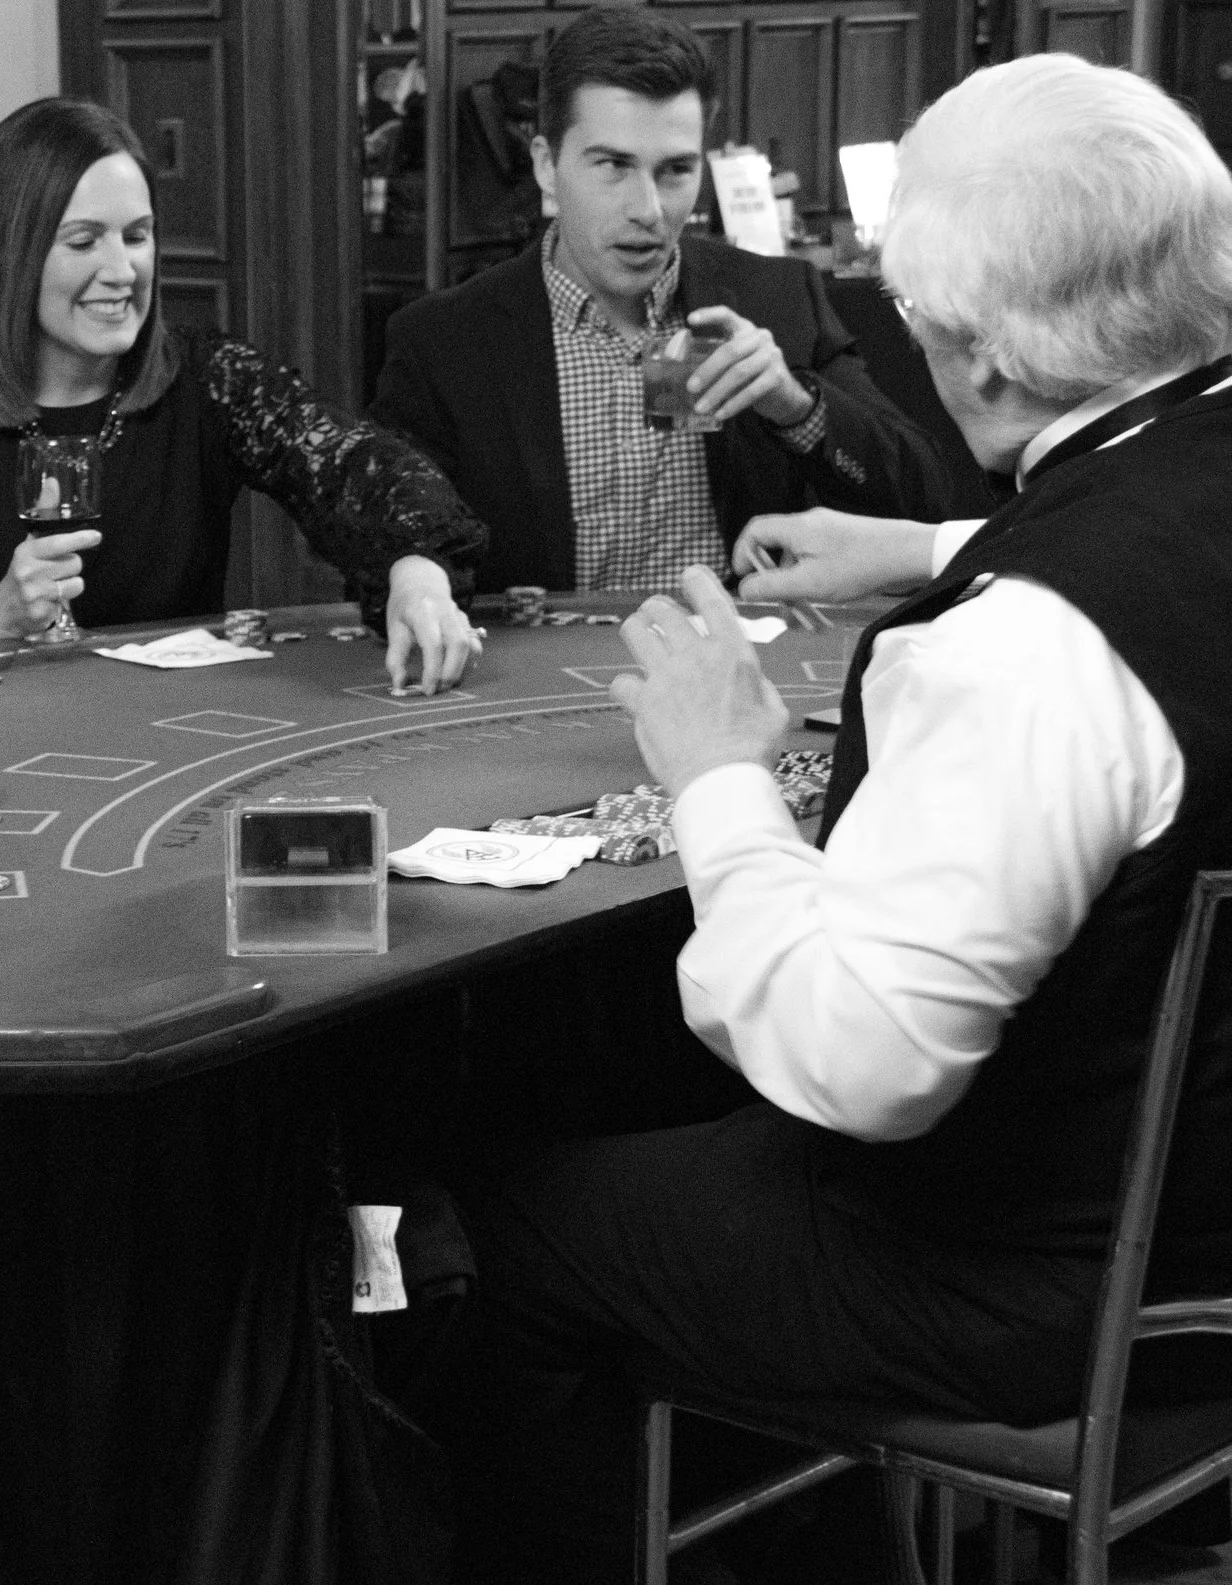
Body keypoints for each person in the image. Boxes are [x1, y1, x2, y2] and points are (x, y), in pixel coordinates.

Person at [443, 53, 1232, 1581]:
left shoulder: (1019, 651)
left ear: (982, 359)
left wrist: (719, 772)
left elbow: (857, 1069)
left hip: (1039, 1287)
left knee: (508, 1228)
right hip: (1204, 1215)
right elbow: (1150, 526)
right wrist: (934, 542)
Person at [0, 96, 491, 696]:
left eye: (136, 236)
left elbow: (360, 466)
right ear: (8, 256)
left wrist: (417, 569)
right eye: (83, 241)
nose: (122, 271)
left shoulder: (209, 379)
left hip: (182, 729)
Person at [368, 6, 949, 596]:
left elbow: (922, 506)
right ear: (546, 165)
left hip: (732, 644)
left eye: (675, 171)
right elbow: (386, 546)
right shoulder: (445, 341)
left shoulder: (776, 299)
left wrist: (796, 407)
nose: (648, 210)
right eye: (613, 166)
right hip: (544, 653)